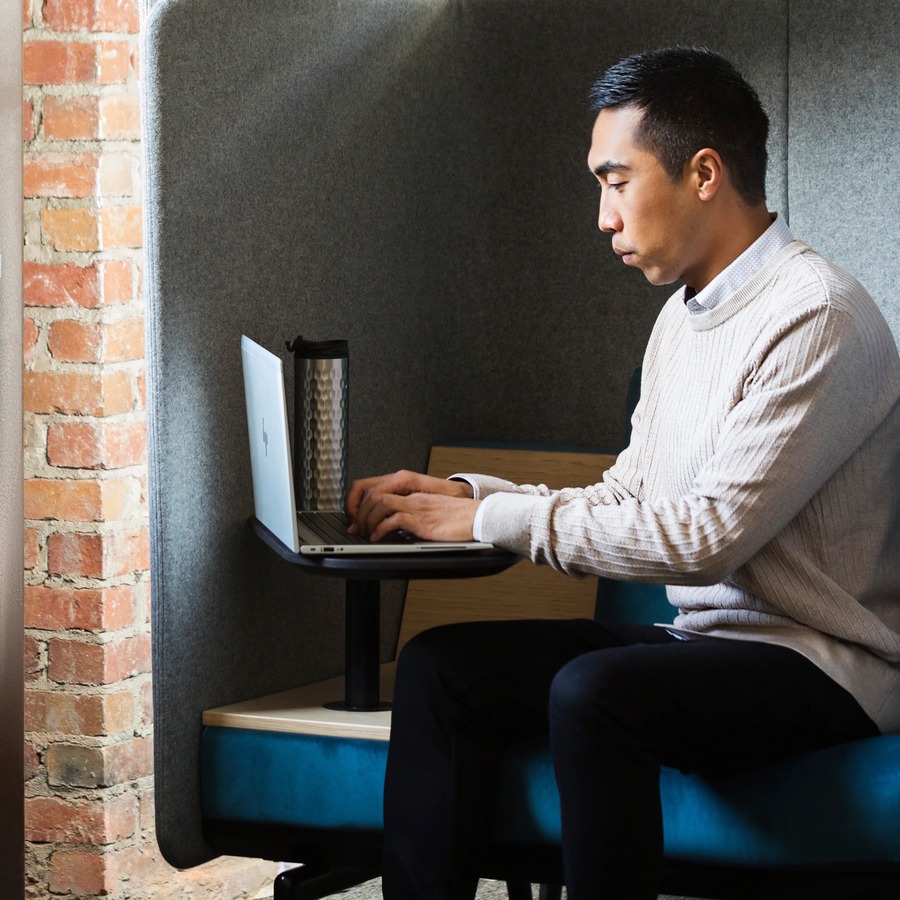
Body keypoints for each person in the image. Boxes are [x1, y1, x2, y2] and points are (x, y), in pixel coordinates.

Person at [346, 46, 900, 900]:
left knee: (595, 692)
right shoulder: (682, 318)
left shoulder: (816, 315)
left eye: (616, 181)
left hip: (827, 666)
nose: (603, 217)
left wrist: (487, 523)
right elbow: (630, 495)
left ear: (704, 174)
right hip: (707, 646)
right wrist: (470, 496)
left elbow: (707, 541)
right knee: (441, 668)